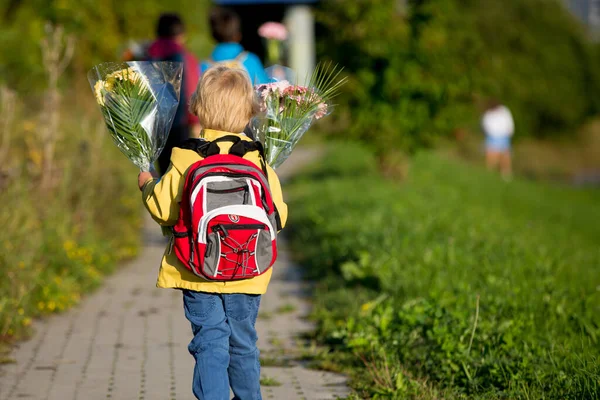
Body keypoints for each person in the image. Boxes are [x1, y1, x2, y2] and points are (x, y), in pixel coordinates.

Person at [137, 66, 287, 400]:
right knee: (243, 342)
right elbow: (279, 216)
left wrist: (147, 185)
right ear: (250, 111)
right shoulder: (259, 159)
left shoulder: (187, 156)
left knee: (209, 342)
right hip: (248, 271)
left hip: (196, 269)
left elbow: (164, 209)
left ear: (197, 109)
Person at [147, 13, 201, 175]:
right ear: (181, 35)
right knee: (180, 172)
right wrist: (195, 119)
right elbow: (192, 88)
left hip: (153, 123)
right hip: (179, 123)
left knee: (163, 171)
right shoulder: (185, 57)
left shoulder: (147, 56)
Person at [201, 7, 269, 84]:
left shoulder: (204, 66)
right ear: (239, 34)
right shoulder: (251, 60)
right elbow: (263, 88)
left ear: (213, 35)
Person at [482, 100, 514, 179]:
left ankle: (506, 176)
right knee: (491, 157)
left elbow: (509, 123)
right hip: (492, 137)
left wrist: (509, 132)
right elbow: (485, 126)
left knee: (505, 158)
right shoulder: (488, 114)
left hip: (504, 136)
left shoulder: (504, 111)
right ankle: (489, 175)